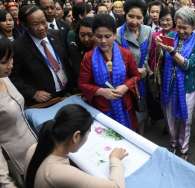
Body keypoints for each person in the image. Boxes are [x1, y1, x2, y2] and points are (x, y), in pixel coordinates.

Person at [25, 104, 128, 188]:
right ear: (76, 136)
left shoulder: (35, 148)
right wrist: (115, 159)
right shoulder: (58, 172)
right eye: (88, 133)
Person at [79, 14, 140, 130]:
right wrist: (101, 91)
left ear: (114, 35)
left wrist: (125, 86)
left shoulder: (125, 54)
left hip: (125, 105)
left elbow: (135, 76)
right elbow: (82, 84)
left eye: (107, 36)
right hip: (103, 107)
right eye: (98, 36)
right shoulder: (88, 57)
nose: (103, 41)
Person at [157, 6, 195, 160]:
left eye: (185, 28)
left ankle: (183, 147)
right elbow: (162, 58)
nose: (180, 31)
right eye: (178, 26)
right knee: (169, 116)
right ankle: (173, 142)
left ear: (194, 26)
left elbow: (188, 65)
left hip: (187, 88)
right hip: (169, 84)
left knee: (185, 120)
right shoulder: (171, 35)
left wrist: (171, 51)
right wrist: (160, 47)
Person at [10, 5, 74, 105]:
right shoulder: (18, 47)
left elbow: (66, 62)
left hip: (67, 93)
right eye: (35, 24)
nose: (41, 27)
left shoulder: (57, 35)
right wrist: (32, 93)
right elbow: (12, 77)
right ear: (25, 25)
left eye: (43, 22)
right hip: (45, 102)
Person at [0, 38, 37, 185]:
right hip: (16, 161)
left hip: (32, 146)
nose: (11, 65)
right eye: (4, 62)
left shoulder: (4, 78)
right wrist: (5, 181)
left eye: (11, 58)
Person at [116, 0, 152, 134]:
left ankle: (141, 133)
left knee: (142, 107)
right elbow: (117, 60)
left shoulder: (148, 31)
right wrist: (135, 72)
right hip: (126, 80)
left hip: (143, 77)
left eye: (139, 17)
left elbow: (148, 53)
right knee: (129, 109)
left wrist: (145, 69)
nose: (134, 21)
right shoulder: (118, 33)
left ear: (144, 17)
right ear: (125, 14)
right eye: (131, 16)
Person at [147, 6, 175, 125]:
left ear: (173, 20)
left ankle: (171, 121)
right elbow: (150, 55)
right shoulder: (155, 35)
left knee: (172, 96)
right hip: (159, 71)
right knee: (161, 96)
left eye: (168, 19)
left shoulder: (177, 34)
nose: (165, 22)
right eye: (163, 20)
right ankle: (166, 120)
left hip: (173, 71)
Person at [68, 16, 94, 82]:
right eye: (82, 35)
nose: (86, 39)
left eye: (90, 35)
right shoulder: (74, 47)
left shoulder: (103, 46)